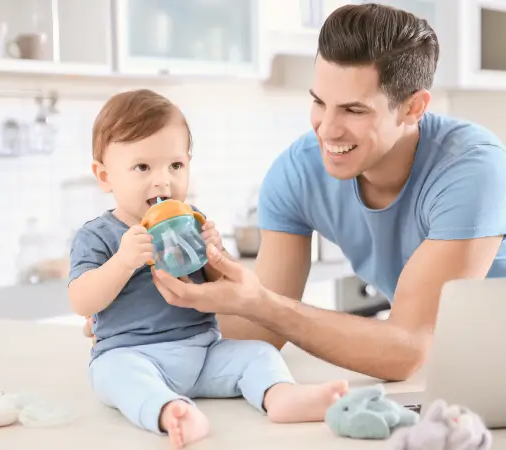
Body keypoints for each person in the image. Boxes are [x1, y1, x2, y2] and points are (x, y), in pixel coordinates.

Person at [85, 3, 506, 382]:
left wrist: (259, 301)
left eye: (353, 109)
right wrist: (146, 324)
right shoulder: (298, 172)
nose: (326, 128)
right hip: (428, 378)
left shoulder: (475, 168)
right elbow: (257, 330)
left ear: (413, 107)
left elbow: (405, 350)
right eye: (319, 101)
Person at [69, 89, 349, 449]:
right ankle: (171, 411)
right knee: (114, 375)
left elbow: (224, 287)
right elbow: (81, 300)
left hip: (203, 351)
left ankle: (281, 396)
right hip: (133, 354)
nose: (162, 181)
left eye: (175, 165)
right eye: (142, 167)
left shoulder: (189, 222)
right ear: (105, 176)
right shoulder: (98, 235)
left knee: (259, 353)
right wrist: (122, 263)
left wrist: (216, 254)